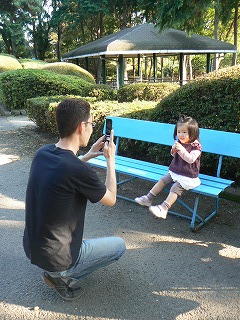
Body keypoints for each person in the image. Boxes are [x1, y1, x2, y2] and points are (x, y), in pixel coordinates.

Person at [23, 98, 126, 301]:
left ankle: (56, 270)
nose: (91, 128)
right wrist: (110, 161)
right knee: (119, 246)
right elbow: (111, 199)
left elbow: (66, 167)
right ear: (81, 127)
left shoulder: (42, 153)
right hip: (58, 258)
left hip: (32, 247)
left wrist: (87, 155)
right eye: (91, 124)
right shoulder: (79, 171)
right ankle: (61, 275)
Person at [135, 116, 202, 219]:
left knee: (175, 187)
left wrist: (181, 150)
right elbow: (174, 156)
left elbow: (190, 159)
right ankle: (148, 198)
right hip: (176, 171)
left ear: (192, 133)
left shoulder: (196, 146)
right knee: (163, 180)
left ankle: (164, 208)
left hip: (188, 176)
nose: (181, 135)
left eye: (184, 132)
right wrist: (173, 150)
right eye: (179, 132)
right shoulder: (180, 142)